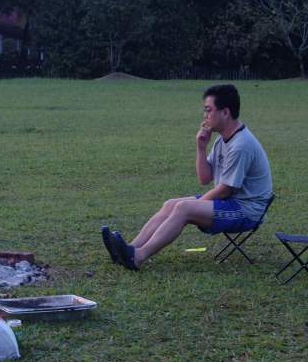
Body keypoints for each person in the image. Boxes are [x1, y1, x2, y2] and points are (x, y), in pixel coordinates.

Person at [101, 84, 273, 270]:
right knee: (170, 204)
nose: (205, 116)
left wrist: (196, 206)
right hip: (231, 202)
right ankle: (129, 249)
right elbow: (204, 178)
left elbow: (225, 190)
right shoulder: (222, 139)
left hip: (246, 210)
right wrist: (201, 147)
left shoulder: (241, 145)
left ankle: (138, 257)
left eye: (208, 110)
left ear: (225, 112)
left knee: (183, 208)